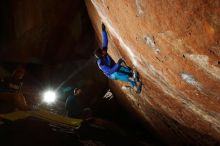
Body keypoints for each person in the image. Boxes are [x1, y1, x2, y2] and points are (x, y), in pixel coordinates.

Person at [94, 23, 141, 93]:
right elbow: (110, 71)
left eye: (103, 50)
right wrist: (118, 64)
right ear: (101, 56)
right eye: (102, 52)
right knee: (124, 76)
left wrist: (103, 31)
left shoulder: (103, 52)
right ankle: (135, 86)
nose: (104, 51)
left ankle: (134, 83)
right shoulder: (101, 64)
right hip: (112, 74)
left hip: (114, 67)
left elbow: (105, 41)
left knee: (129, 71)